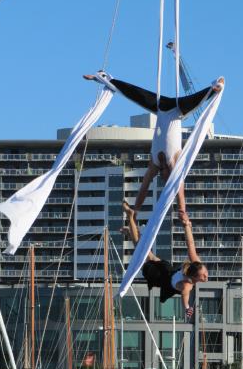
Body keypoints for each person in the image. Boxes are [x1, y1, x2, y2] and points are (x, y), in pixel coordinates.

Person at [84, 72, 224, 224]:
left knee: (133, 94)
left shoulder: (154, 163)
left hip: (160, 108)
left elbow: (144, 187)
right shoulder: (174, 165)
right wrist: (182, 210)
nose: (164, 178)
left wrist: (135, 210)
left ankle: (105, 77)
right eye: (166, 179)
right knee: (200, 97)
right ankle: (215, 86)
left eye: (162, 178)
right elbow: (179, 186)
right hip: (178, 109)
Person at [122, 201, 208, 318]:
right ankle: (130, 217)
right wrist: (187, 308)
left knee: (145, 250)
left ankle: (131, 230)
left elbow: (191, 244)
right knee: (140, 250)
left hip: (168, 269)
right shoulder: (188, 285)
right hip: (161, 277)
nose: (206, 276)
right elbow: (184, 297)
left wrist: (186, 225)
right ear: (194, 277)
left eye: (205, 274)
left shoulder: (195, 264)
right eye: (203, 275)